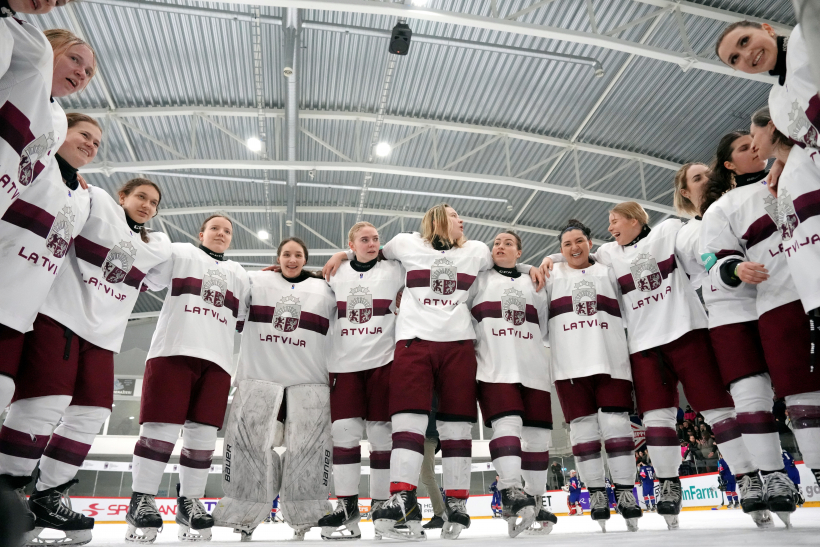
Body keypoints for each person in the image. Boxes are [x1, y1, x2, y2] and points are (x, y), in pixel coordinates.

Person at [322, 203, 543, 541]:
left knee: (456, 426)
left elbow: (505, 265)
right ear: (439, 220)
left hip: (458, 345)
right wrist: (341, 254)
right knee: (407, 421)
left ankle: (457, 503)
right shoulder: (405, 243)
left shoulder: (477, 250)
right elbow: (367, 254)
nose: (463, 221)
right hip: (414, 342)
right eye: (456, 216)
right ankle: (402, 496)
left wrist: (535, 266)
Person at [540, 202, 756, 531]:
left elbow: (701, 242)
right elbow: (573, 258)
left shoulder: (667, 231)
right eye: (608, 223)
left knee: (717, 409)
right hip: (642, 346)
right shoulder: (610, 255)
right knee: (656, 420)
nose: (610, 227)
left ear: (635, 219)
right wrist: (550, 259)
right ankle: (668, 484)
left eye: (615, 220)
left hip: (687, 333)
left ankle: (748, 477)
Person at [0, 176, 170, 546]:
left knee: (92, 414)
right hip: (58, 316)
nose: (147, 205)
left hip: (104, 337)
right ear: (122, 196)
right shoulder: (97, 203)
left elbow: (163, 276)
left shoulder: (156, 245)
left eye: (154, 203)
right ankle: (7, 488)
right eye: (141, 196)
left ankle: (48, 496)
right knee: (44, 403)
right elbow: (65, 200)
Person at [701, 108, 820, 522]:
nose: (753, 145)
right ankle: (784, 475)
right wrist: (736, 268)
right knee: (801, 394)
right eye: (741, 146)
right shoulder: (724, 206)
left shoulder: (797, 168)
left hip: (810, 291)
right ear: (730, 164)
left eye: (754, 139)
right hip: (777, 298)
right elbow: (717, 258)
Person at [0, 113, 98, 547]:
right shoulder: (33, 162)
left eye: (98, 141)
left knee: (24, 401)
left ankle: (14, 494)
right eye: (84, 135)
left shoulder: (83, 196)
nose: (92, 144)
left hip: (25, 307)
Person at [690, 134, 797, 525]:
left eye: (706, 174)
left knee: (801, 395)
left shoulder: (781, 183)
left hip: (776, 303)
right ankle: (768, 477)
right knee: (751, 399)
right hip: (731, 318)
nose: (704, 179)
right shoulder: (689, 227)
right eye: (695, 178)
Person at [126, 214, 250, 543]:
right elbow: (146, 268)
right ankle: (141, 499)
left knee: (203, 437)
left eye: (227, 231)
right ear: (202, 233)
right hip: (173, 351)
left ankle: (190, 501)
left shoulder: (239, 273)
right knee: (160, 430)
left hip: (219, 360)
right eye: (215, 229)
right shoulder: (181, 253)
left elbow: (255, 308)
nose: (221, 234)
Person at [223, 236, 335, 541]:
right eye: (286, 254)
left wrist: (341, 257)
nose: (292, 259)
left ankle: (306, 519)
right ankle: (245, 518)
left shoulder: (324, 290)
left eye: (298, 255)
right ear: (278, 257)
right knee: (250, 452)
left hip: (308, 383)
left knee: (307, 455)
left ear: (305, 259)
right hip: (259, 381)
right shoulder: (256, 282)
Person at [546, 219, 641, 532]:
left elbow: (620, 256)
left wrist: (558, 257)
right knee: (583, 433)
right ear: (559, 250)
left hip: (610, 361)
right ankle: (597, 493)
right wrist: (552, 261)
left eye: (579, 241)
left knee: (616, 426)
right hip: (570, 367)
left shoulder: (607, 270)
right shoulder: (550, 276)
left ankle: (626, 491)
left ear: (590, 243)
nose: (574, 248)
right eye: (566, 244)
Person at [319, 222, 404, 540]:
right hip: (343, 366)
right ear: (351, 244)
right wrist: (341, 256)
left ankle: (383, 508)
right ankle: (346, 508)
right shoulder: (334, 273)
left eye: (375, 239)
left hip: (384, 364)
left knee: (383, 438)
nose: (372, 243)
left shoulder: (394, 269)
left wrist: (341, 253)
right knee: (344, 435)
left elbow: (428, 258)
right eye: (364, 240)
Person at [470, 230, 557, 536]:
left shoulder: (534, 283)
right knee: (507, 427)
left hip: (533, 369)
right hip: (494, 368)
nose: (500, 246)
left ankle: (535, 497)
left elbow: (546, 329)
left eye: (508, 243)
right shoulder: (477, 280)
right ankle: (510, 491)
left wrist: (527, 270)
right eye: (496, 243)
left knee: (538, 439)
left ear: (520, 253)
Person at [0, 26, 96, 219]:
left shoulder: (59, 121)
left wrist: (67, 172)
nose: (82, 74)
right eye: (74, 59)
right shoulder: (22, 69)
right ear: (49, 48)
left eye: (88, 72)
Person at [715, 20, 819, 170]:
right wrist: (781, 161)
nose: (746, 54)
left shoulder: (803, 37)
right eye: (735, 59)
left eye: (745, 41)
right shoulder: (777, 102)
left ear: (767, 29)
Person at [420, 395, 445, 529]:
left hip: (427, 437)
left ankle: (441, 515)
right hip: (423, 436)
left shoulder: (429, 390)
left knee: (427, 476)